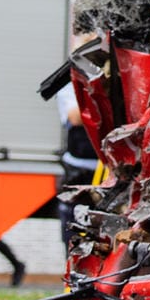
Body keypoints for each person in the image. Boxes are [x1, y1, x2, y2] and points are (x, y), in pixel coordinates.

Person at [54, 80, 99, 249]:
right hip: (80, 172)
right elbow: (75, 116)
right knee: (75, 237)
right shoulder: (71, 85)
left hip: (112, 172)